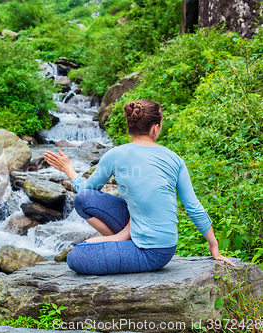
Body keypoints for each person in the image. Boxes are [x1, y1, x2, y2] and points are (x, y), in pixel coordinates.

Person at [43, 99, 235, 275]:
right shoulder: (174, 158)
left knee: (77, 256)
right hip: (146, 235)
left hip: (154, 252)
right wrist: (213, 244)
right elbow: (194, 207)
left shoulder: (115, 154)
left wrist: (69, 170)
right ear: (156, 128)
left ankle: (119, 241)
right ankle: (121, 239)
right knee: (83, 200)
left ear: (130, 126)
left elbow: (86, 187)